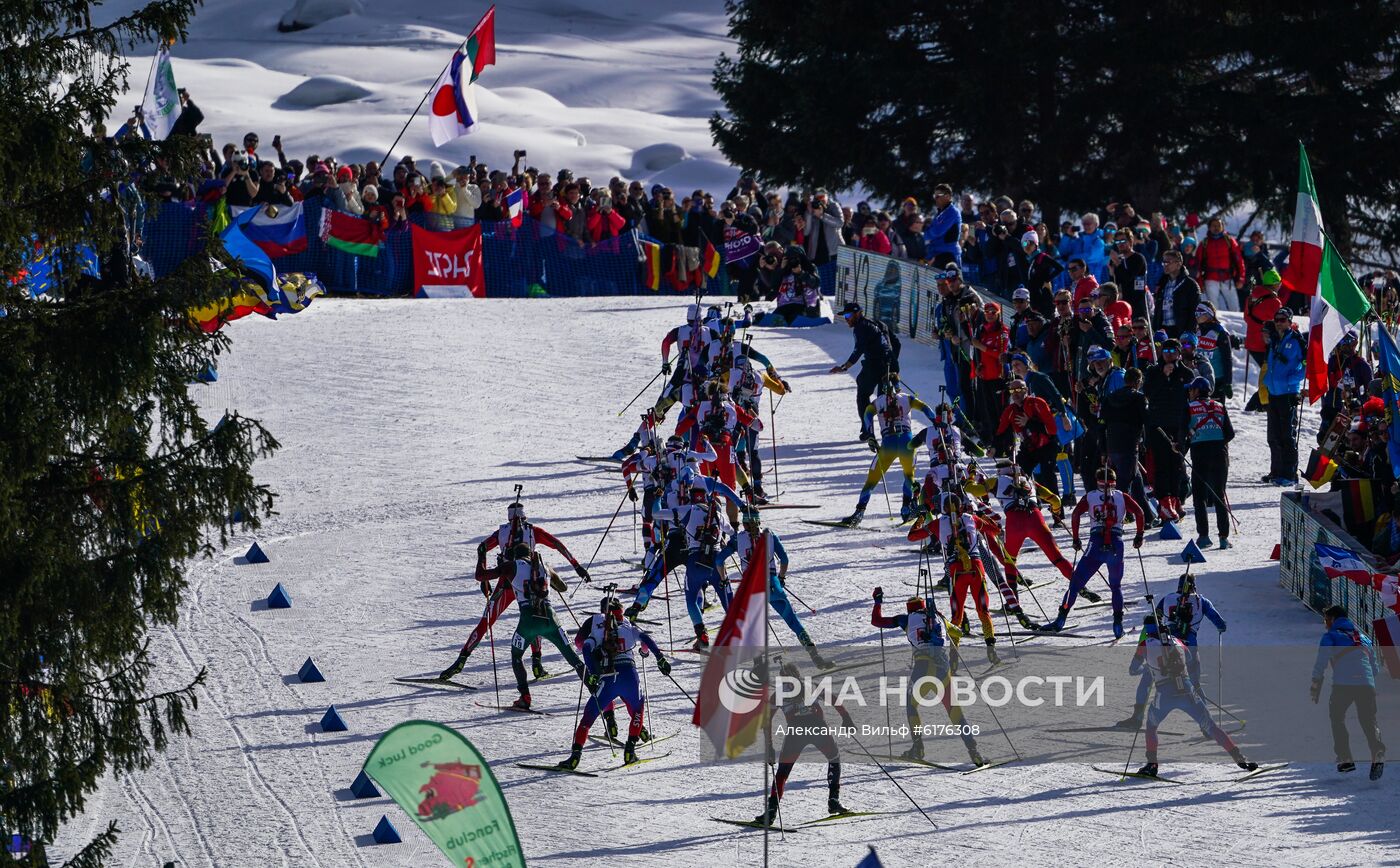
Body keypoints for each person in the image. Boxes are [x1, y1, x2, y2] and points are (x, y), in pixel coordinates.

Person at [439, 500, 591, 681]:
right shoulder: (533, 531)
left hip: (506, 581)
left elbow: (482, 547)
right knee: (537, 613)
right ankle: (537, 664)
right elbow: (557, 544)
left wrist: (485, 577)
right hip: (530, 578)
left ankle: (460, 661)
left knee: (486, 622)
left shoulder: (501, 532)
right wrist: (576, 566)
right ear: (524, 517)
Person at [1129, 614, 1256, 777]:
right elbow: (1189, 657)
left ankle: (1152, 764)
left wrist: (1148, 668)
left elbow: (1133, 670)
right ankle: (1239, 757)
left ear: (1147, 629)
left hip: (1164, 692)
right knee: (1211, 726)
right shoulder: (1176, 640)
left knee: (1151, 725)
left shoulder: (1145, 643)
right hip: (1187, 689)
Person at [870, 589, 986, 765]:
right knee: (955, 712)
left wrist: (878, 602)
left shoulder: (906, 619)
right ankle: (974, 752)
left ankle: (918, 748)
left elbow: (876, 621)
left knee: (911, 706)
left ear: (909, 609)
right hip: (942, 668)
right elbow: (959, 633)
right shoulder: (940, 618)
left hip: (923, 668)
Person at [558, 593, 670, 768]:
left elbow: (584, 647)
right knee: (637, 708)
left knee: (587, 719)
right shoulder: (628, 625)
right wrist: (657, 657)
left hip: (607, 677)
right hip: (629, 675)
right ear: (621, 610)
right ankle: (630, 750)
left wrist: (593, 672)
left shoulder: (597, 626)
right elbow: (646, 639)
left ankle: (575, 757)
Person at [719, 510, 831, 668]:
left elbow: (718, 560)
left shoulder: (738, 539)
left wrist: (724, 579)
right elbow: (784, 559)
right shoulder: (770, 535)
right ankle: (815, 656)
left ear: (744, 523)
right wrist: (781, 578)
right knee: (793, 621)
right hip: (772, 585)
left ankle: (759, 666)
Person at [1043, 467, 1145, 638]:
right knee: (1115, 586)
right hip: (1116, 544)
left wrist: (1075, 539)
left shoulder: (1090, 496)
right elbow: (1140, 513)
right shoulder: (1122, 496)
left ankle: (1060, 620)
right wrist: (1139, 536)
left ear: (1097, 481)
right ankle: (1117, 625)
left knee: (1075, 584)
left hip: (1096, 543)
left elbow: (1075, 514)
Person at [1117, 572, 1227, 729]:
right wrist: (1220, 627)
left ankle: (1137, 718)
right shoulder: (1202, 601)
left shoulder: (1167, 599)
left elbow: (1155, 619)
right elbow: (1220, 624)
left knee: (1147, 680)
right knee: (1194, 685)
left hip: (1165, 648)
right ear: (1194, 585)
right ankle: (1207, 726)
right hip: (1189, 649)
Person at [753, 659, 854, 825]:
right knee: (834, 758)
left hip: (796, 732)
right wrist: (846, 718)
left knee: (783, 772)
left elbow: (766, 721)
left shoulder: (778, 694)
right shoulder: (809, 685)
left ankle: (771, 811)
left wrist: (769, 747)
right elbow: (833, 698)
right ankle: (833, 801)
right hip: (817, 728)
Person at [908, 494, 1002, 664]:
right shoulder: (972, 518)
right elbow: (996, 530)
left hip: (956, 572)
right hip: (976, 569)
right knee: (983, 611)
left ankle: (953, 657)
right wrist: (982, 516)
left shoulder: (937, 524)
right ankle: (991, 649)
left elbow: (912, 536)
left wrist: (920, 519)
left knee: (956, 615)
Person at [491, 551, 586, 710]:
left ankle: (525, 697)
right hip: (550, 619)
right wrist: (550, 576)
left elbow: (492, 594)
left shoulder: (513, 567)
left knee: (516, 656)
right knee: (572, 657)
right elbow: (563, 587)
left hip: (528, 622)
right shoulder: (544, 567)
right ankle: (597, 691)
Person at [840, 375, 936, 526]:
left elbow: (867, 414)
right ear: (897, 384)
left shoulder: (877, 402)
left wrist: (870, 435)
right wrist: (937, 422)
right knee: (909, 476)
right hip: (907, 443)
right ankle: (906, 510)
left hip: (888, 444)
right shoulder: (907, 398)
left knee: (872, 479)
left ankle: (859, 513)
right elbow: (925, 408)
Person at [1311, 605, 1386, 779]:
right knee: (1368, 720)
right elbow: (1374, 667)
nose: (1325, 624)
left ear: (1332, 619)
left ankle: (1345, 758)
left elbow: (1322, 660)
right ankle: (1378, 751)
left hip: (1343, 684)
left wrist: (1316, 684)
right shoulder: (1363, 638)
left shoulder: (1330, 636)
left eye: (1325, 620)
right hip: (1366, 683)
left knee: (1337, 718)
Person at [829, 302, 901, 442]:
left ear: (858, 313)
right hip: (890, 366)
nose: (846, 319)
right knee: (885, 400)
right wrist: (892, 362)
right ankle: (890, 432)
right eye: (845, 316)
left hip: (874, 365)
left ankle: (868, 430)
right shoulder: (879, 323)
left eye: (848, 315)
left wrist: (844, 367)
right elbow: (897, 343)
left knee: (863, 395)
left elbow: (858, 350)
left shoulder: (860, 327)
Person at [1185, 377, 1235, 548]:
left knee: (1199, 497)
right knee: (1219, 495)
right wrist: (1218, 441)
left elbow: (1182, 432)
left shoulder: (1189, 407)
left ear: (1197, 391)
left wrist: (1180, 447)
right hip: (1220, 455)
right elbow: (1230, 433)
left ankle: (1204, 536)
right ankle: (1223, 538)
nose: (1189, 393)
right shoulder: (1220, 406)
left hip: (1200, 455)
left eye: (1191, 390)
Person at [1102, 367, 1153, 526]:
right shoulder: (1139, 398)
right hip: (1129, 444)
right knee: (1124, 484)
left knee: (1136, 480)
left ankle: (1148, 517)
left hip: (1112, 444)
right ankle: (1114, 520)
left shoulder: (1109, 398)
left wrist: (1104, 448)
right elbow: (1147, 420)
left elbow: (1101, 423)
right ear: (1138, 382)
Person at [1263, 309, 1306, 485]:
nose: (1279, 322)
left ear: (1289, 321)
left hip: (1288, 392)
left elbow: (1306, 364)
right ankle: (1276, 471)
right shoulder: (1274, 339)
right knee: (1273, 435)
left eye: (1282, 319)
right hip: (1274, 392)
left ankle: (1289, 474)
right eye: (1276, 319)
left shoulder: (1296, 340)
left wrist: (1292, 379)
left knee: (1287, 435)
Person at [1196, 217, 1245, 312]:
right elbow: (1198, 264)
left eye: (1219, 225)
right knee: (1213, 308)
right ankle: (1214, 325)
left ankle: (1237, 326)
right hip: (1210, 278)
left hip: (1228, 278)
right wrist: (1200, 283)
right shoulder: (1204, 243)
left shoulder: (1230, 241)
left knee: (1234, 306)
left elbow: (1239, 261)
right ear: (1209, 228)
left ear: (1223, 227)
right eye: (1214, 226)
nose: (1216, 228)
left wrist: (1241, 278)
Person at [923, 183, 962, 269]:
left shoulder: (953, 212)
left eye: (938, 196)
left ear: (947, 196)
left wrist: (927, 232)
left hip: (949, 256)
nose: (935, 199)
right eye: (934, 196)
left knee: (948, 282)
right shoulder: (939, 213)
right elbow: (928, 234)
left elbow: (937, 232)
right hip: (937, 255)